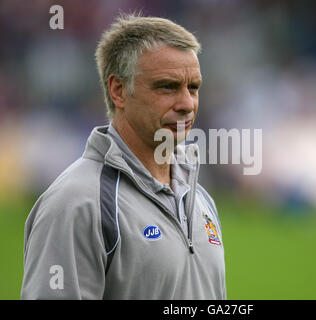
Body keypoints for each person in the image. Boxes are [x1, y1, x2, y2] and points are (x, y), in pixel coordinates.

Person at [21, 13, 226, 300]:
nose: (186, 104)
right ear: (118, 90)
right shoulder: (76, 203)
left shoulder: (200, 200)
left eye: (193, 88)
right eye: (167, 86)